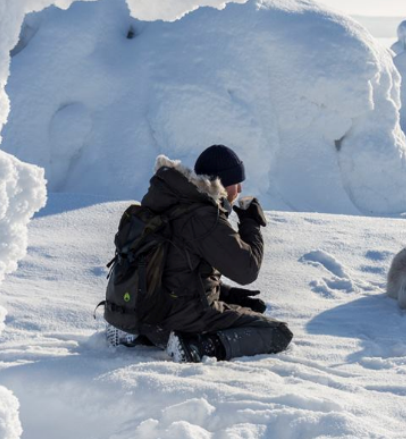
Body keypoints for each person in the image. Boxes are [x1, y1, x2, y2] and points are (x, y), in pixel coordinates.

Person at [107, 144, 292, 362]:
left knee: (246, 309)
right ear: (221, 183)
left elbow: (176, 270)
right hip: (179, 320)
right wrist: (251, 223)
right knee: (279, 333)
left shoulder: (170, 201)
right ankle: (198, 346)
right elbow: (247, 271)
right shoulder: (203, 217)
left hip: (147, 315)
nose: (239, 189)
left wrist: (226, 293)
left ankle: (139, 337)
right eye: (236, 182)